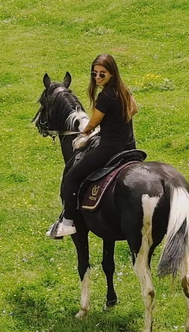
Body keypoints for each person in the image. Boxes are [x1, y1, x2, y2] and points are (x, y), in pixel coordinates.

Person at [49, 54, 138, 238]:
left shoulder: (105, 96)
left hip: (110, 149)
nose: (97, 78)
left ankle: (67, 223)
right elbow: (134, 109)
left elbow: (92, 123)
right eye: (94, 74)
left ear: (111, 73)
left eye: (102, 74)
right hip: (130, 147)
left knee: (72, 177)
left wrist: (84, 134)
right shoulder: (123, 90)